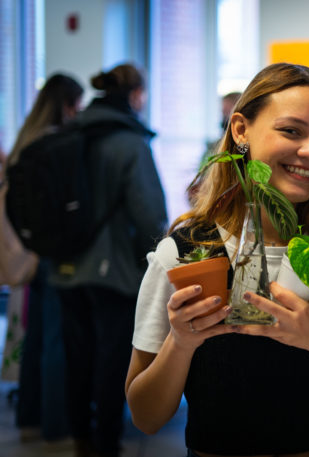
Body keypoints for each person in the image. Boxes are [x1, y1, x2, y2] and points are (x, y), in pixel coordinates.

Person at [125, 63, 309, 457]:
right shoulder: (186, 253)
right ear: (241, 130)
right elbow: (146, 416)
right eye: (291, 130)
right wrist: (182, 341)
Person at [49, 63, 168, 457]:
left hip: (65, 266)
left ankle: (81, 436)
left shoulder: (68, 133)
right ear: (136, 95)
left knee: (77, 356)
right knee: (111, 360)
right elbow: (150, 214)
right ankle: (106, 444)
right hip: (115, 272)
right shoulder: (130, 144)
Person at [4, 73, 84, 446]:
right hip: (54, 254)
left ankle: (29, 421)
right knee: (55, 340)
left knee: (35, 336)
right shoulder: (59, 145)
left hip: (29, 251)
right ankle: (55, 427)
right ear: (68, 105)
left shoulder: (25, 141)